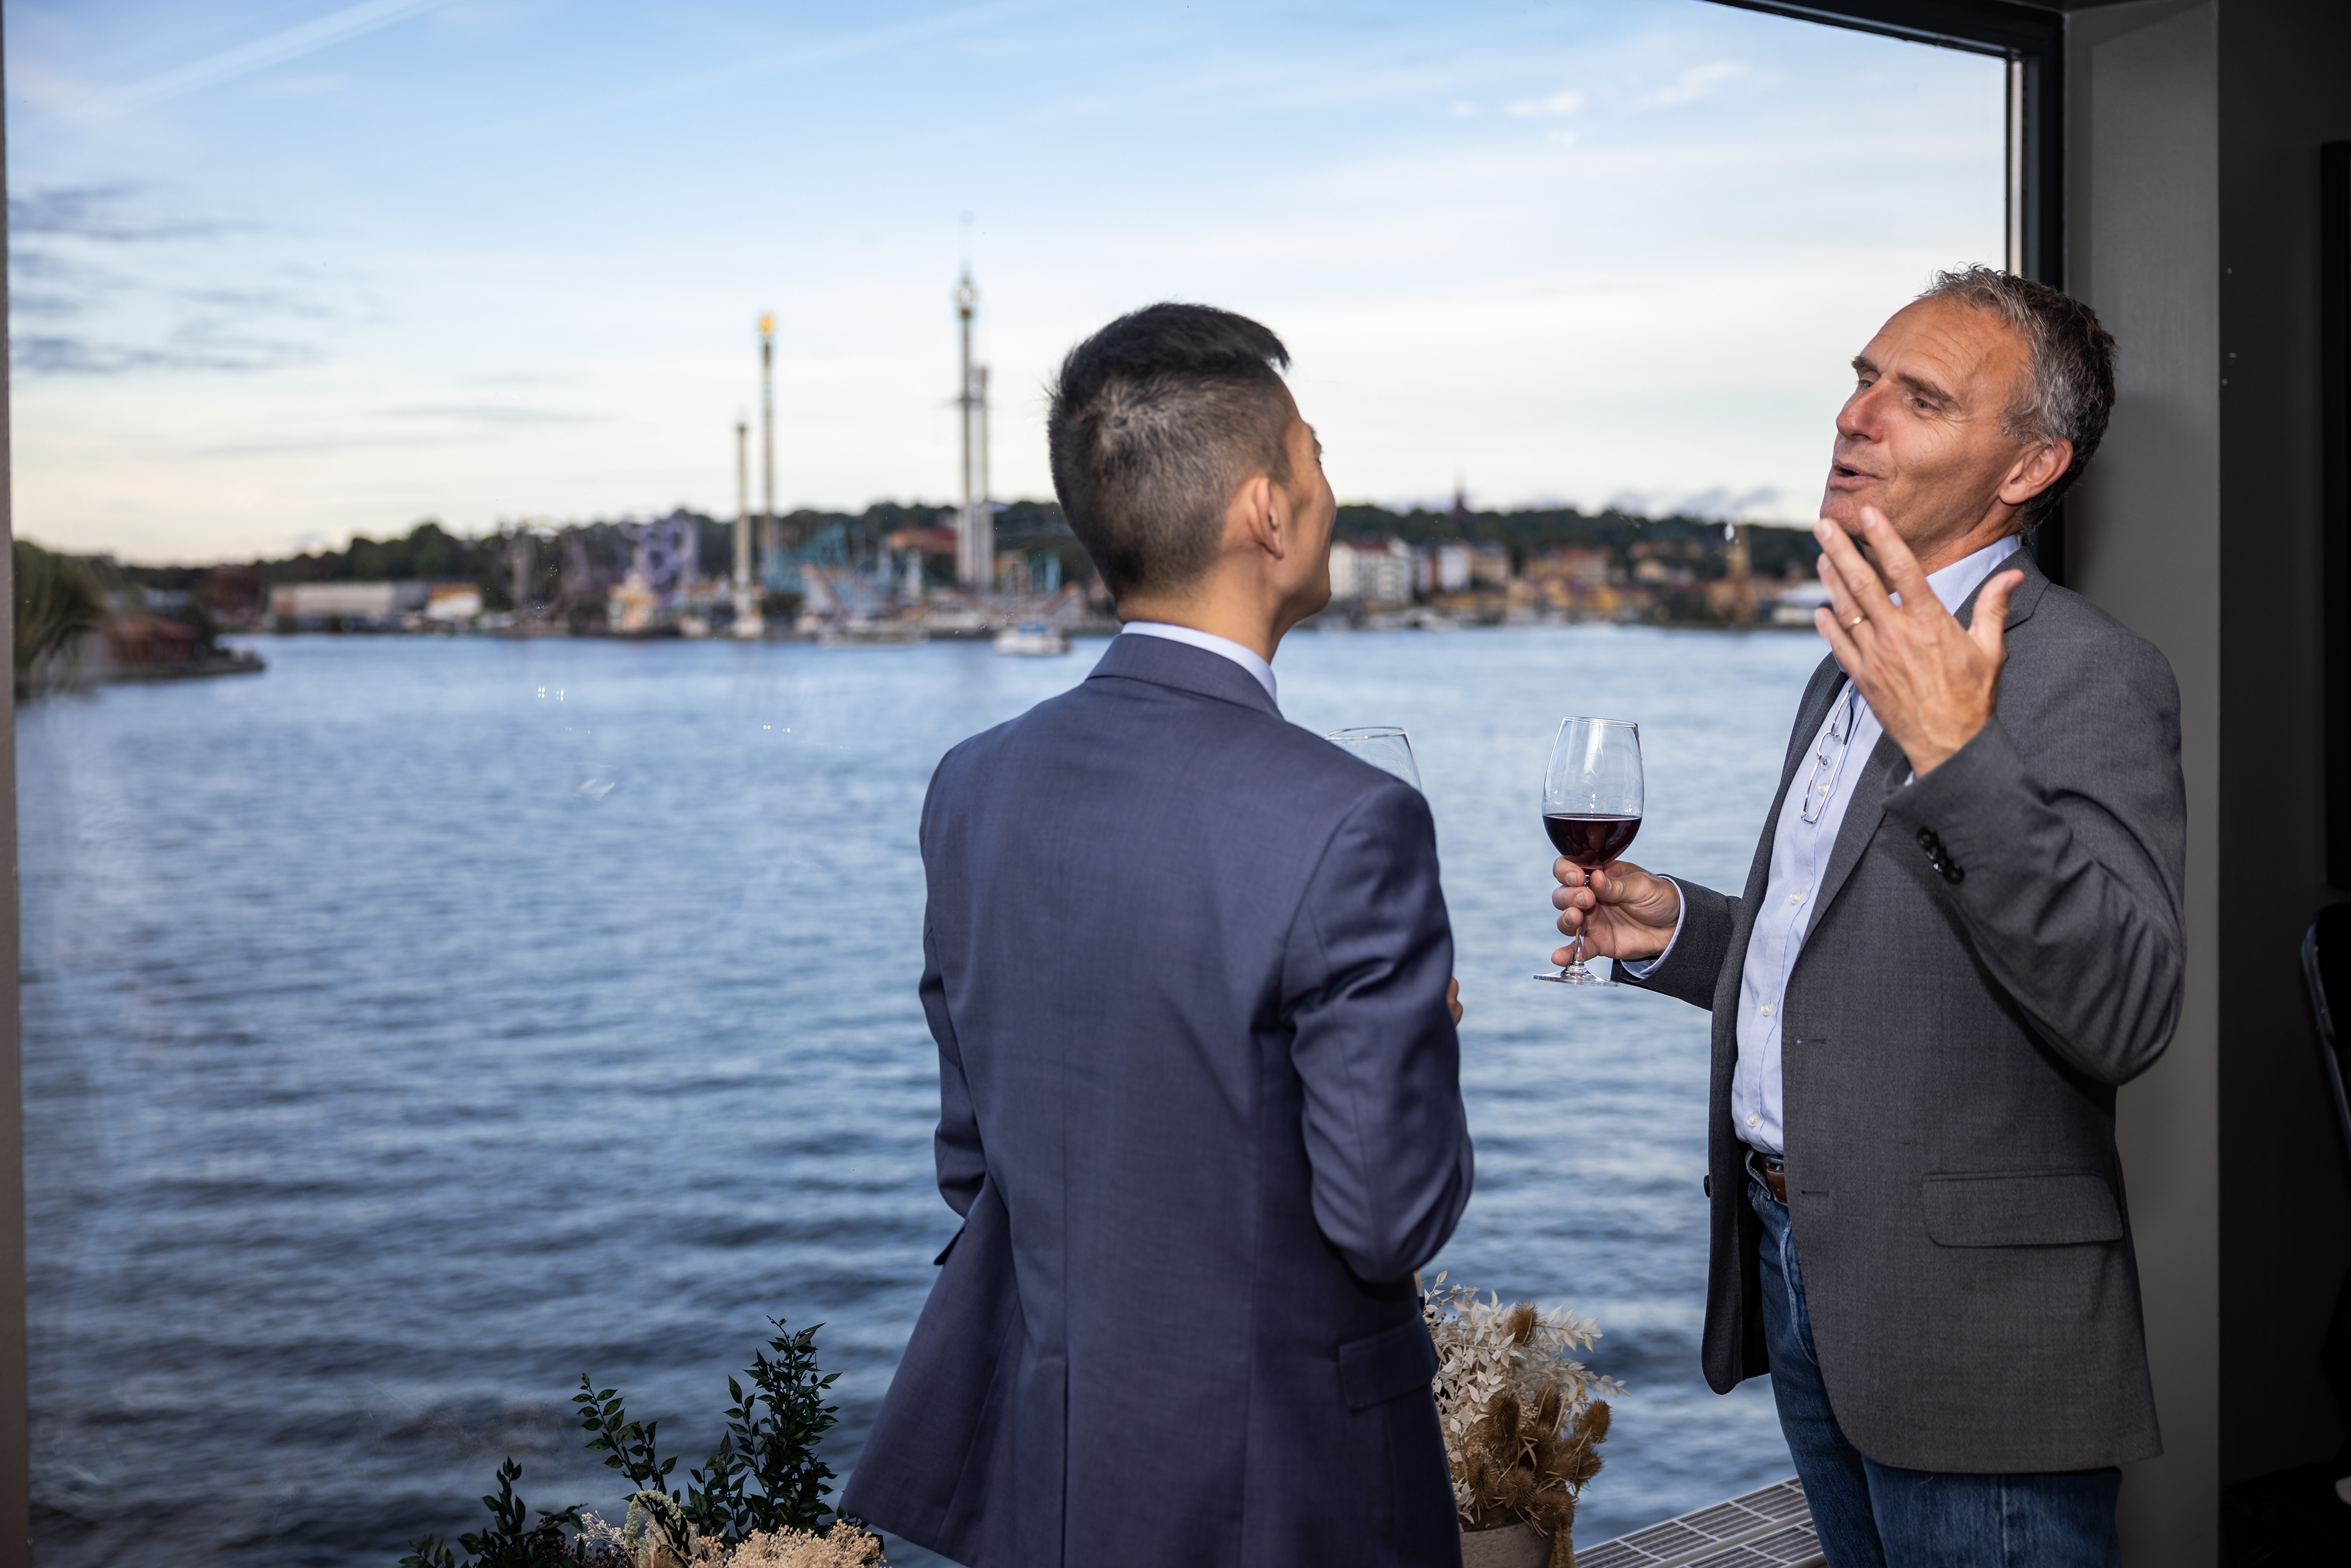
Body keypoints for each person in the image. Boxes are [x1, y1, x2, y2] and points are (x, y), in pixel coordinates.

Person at [1550, 267, 2183, 1567]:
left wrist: (1957, 752)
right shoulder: (1846, 666)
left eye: (1923, 398)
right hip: (1803, 1268)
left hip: (1974, 1327)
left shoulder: (2089, 672)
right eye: (1863, 379)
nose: (1859, 415)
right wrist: (1680, 932)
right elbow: (1858, 960)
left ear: (2029, 466)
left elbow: (2126, 1008)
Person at [842, 303, 1474, 1568]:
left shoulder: (973, 784)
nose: (1332, 490)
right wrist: (1421, 1042)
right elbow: (1389, 1218)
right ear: (1266, 511)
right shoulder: (1353, 822)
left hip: (1053, 1478)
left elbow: (976, 1168)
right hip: (1287, 1497)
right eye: (1315, 457)